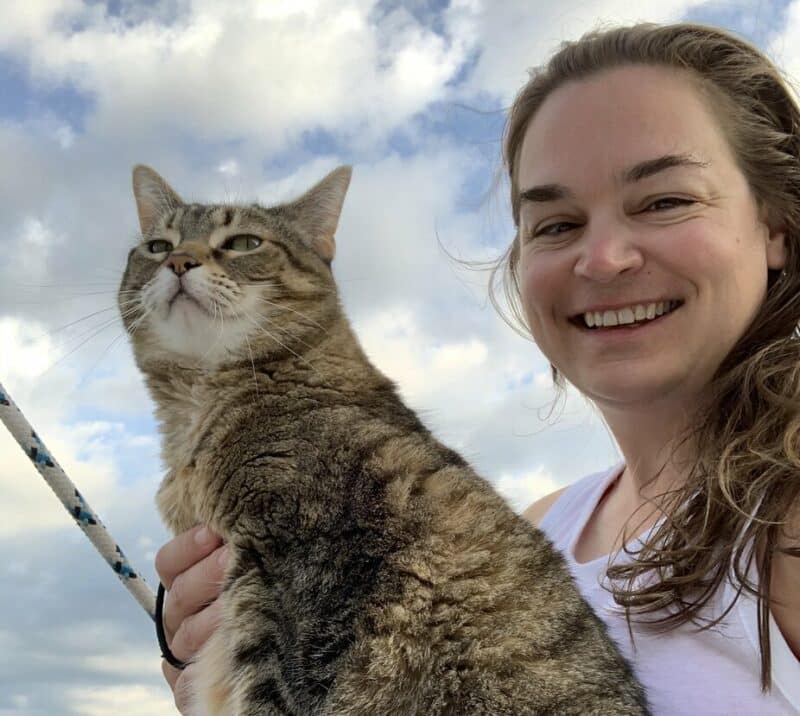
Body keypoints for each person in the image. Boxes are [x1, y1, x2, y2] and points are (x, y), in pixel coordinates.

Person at [155, 21, 800, 714]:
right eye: (556, 223)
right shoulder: (543, 528)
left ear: (777, 227)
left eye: (665, 201)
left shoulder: (781, 516)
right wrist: (222, 677)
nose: (604, 257)